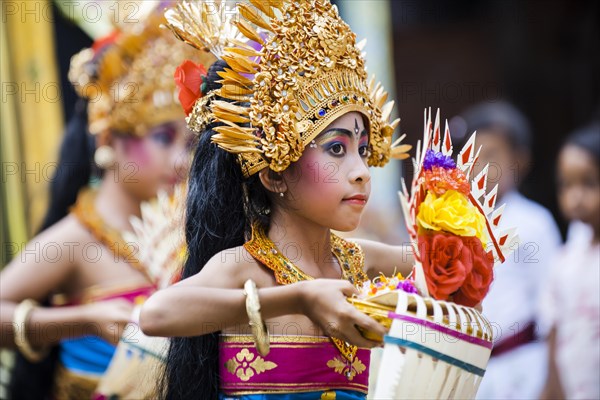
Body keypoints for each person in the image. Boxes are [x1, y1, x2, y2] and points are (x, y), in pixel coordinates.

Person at [140, 1, 412, 398]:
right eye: (337, 149)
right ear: (274, 174)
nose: (362, 171)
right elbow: (155, 314)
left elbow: (444, 267)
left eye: (363, 150)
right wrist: (298, 296)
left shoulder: (361, 261)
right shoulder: (243, 267)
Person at [0, 8, 204, 399]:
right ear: (109, 140)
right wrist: (80, 321)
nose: (182, 160)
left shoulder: (190, 228)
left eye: (191, 143)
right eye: (163, 137)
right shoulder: (76, 239)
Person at [457, 101, 562, 400]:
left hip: (524, 368)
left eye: (491, 155)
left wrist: (551, 383)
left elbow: (551, 308)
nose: (479, 166)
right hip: (476, 374)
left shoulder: (534, 223)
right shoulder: (460, 222)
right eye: (472, 156)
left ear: (520, 160)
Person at [539, 123, 600, 400]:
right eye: (566, 184)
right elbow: (554, 333)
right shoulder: (564, 262)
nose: (576, 197)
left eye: (589, 182)